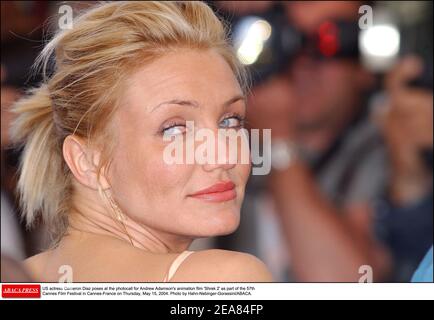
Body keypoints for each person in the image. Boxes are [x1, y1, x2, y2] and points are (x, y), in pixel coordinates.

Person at [10, 1, 273, 282]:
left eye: (230, 122)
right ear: (86, 160)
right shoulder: (224, 278)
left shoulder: (19, 280)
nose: (223, 156)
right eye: (174, 130)